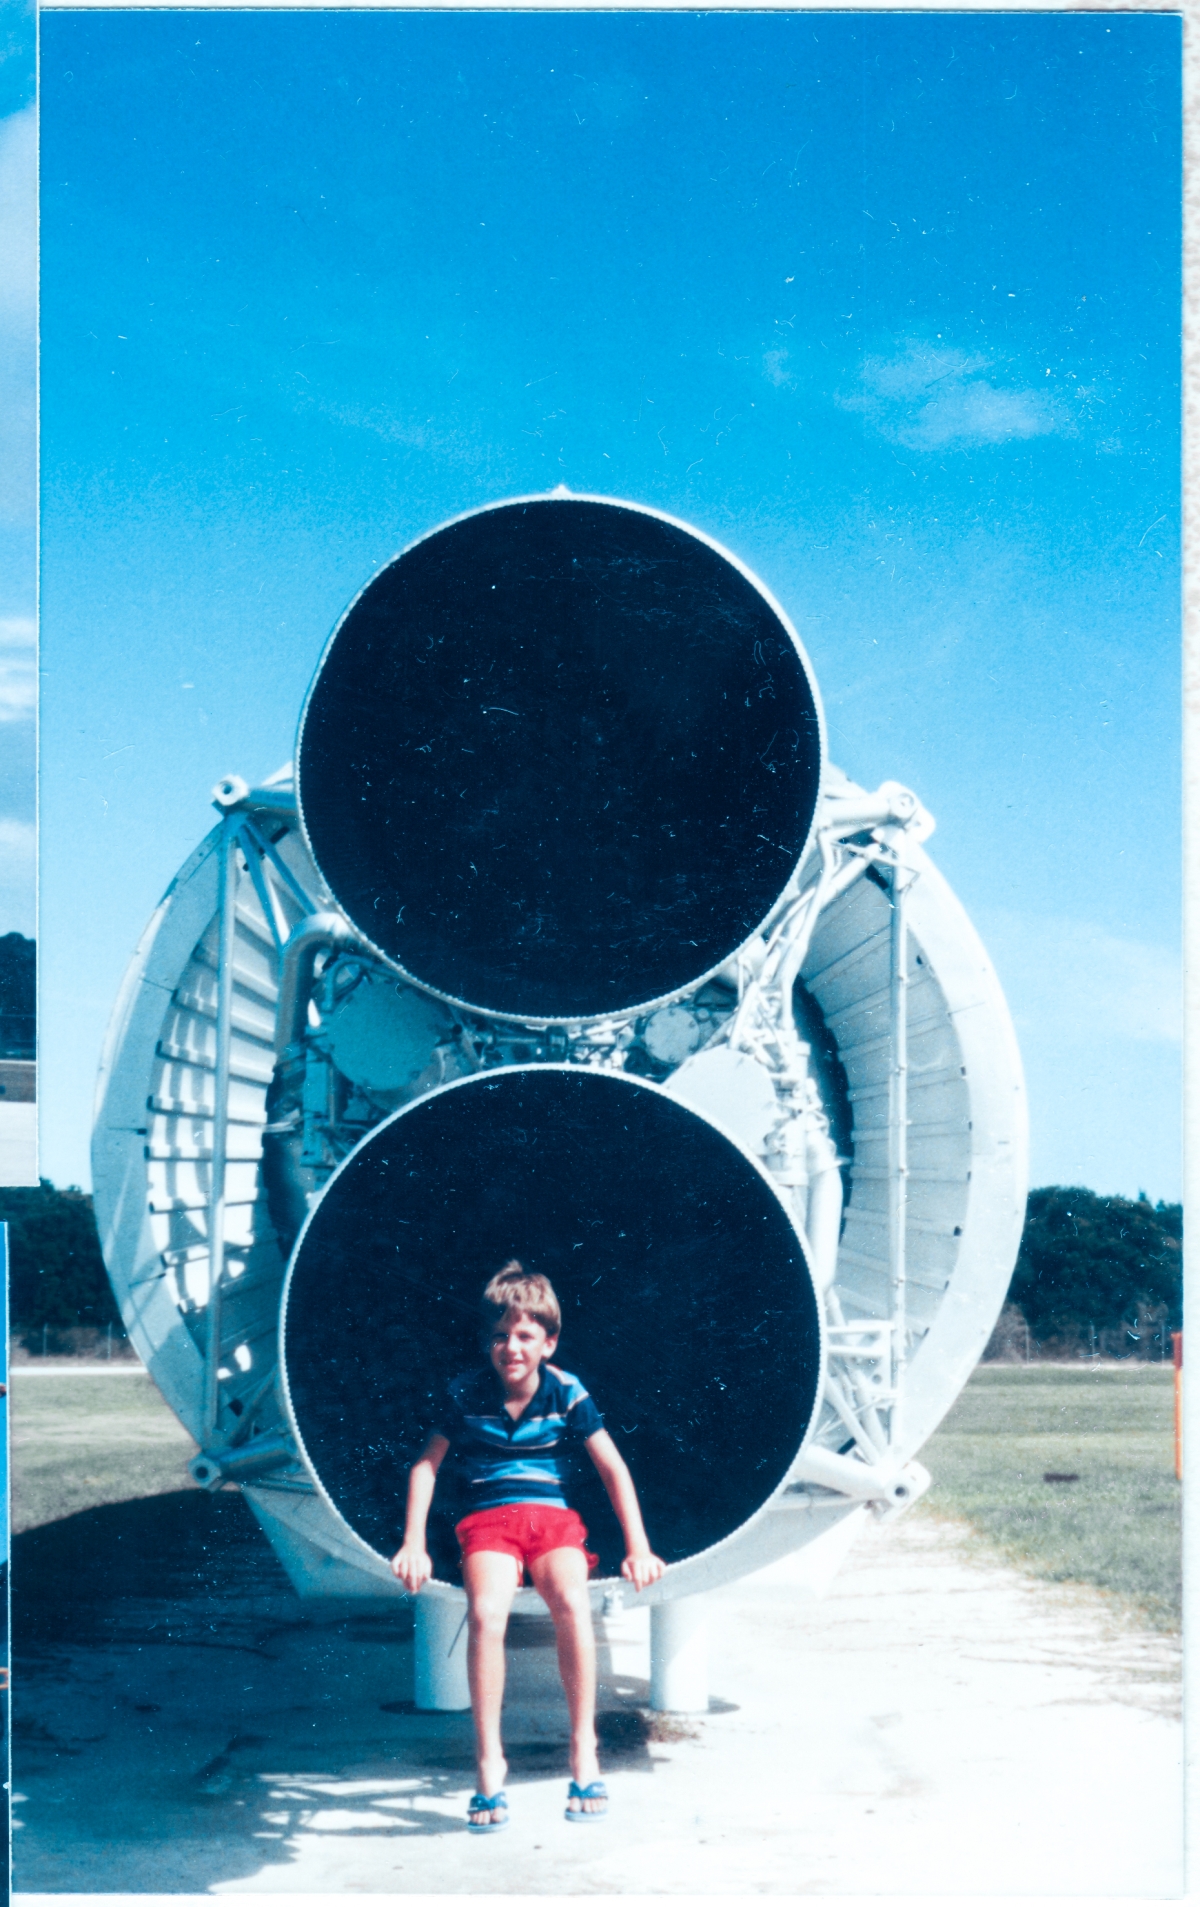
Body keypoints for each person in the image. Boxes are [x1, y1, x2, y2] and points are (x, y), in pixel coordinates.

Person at [391, 1260, 665, 1832]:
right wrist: (413, 1541)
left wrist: (638, 1545)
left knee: (571, 1602)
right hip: (489, 1521)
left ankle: (582, 1749)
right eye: (499, 1335)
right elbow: (426, 1464)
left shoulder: (567, 1392)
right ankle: (490, 1762)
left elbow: (612, 1467)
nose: (510, 1347)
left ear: (548, 1342)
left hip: (553, 1520)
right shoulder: (465, 1393)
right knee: (487, 1614)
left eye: (523, 1336)